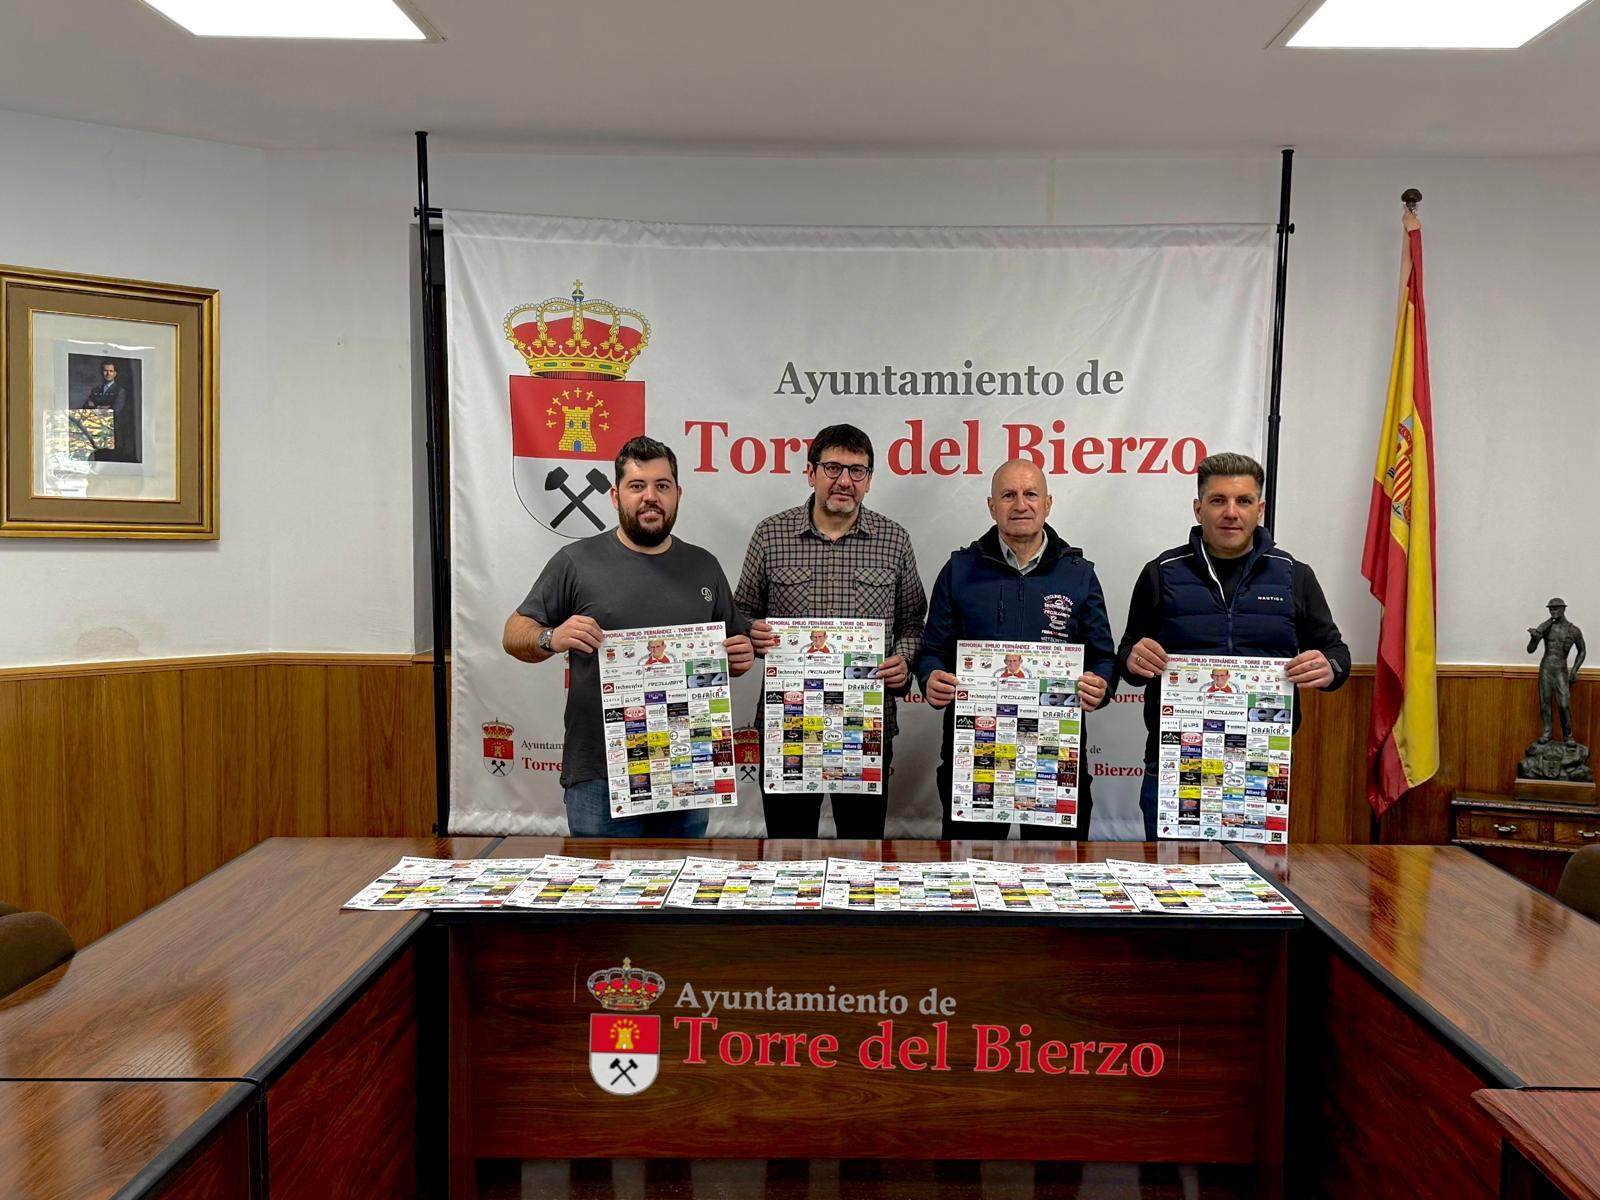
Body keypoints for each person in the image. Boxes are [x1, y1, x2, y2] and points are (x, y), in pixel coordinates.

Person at [504, 435, 754, 837]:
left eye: (662, 485)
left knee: (682, 879)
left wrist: (741, 659)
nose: (650, 497)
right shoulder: (576, 562)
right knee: (601, 881)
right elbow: (514, 633)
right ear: (615, 495)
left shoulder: (704, 566)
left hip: (686, 768)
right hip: (600, 775)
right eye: (637, 486)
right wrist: (552, 636)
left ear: (678, 495)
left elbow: (733, 653)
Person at [1117, 451, 1351, 840]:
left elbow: (1337, 654)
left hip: (1261, 764)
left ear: (1259, 510)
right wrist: (1132, 659)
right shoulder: (1161, 573)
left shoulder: (1294, 575)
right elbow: (1128, 656)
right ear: (1198, 509)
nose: (1231, 512)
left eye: (1243, 501)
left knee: (1258, 877)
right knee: (1171, 875)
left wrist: (1330, 668)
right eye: (1218, 500)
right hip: (1175, 762)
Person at [734, 424, 926, 839]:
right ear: (811, 472)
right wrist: (752, 632)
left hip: (865, 723)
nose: (844, 481)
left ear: (869, 480)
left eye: (857, 471)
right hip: (788, 722)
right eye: (833, 468)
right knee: (788, 851)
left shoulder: (894, 540)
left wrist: (904, 659)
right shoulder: (770, 534)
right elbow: (741, 612)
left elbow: (913, 621)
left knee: (862, 852)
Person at [915, 459, 1116, 840]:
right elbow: (931, 652)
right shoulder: (959, 570)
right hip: (975, 753)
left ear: (1048, 504)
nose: (1020, 505)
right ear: (992, 506)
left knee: (1055, 869)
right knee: (970, 867)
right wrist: (930, 677)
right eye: (1008, 495)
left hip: (1055, 754)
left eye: (1031, 494)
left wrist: (1101, 684)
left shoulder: (1079, 574)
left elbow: (1104, 657)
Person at [1527, 598, 1586, 744]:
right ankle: (1547, 732)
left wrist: (1574, 670)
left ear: (1563, 609)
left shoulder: (1573, 630)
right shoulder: (1545, 628)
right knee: (1545, 701)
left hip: (1561, 669)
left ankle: (1568, 736)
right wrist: (1533, 639)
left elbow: (1582, 651)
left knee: (1564, 704)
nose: (1553, 611)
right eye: (1551, 609)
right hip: (1546, 668)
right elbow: (1530, 650)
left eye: (1556, 608)